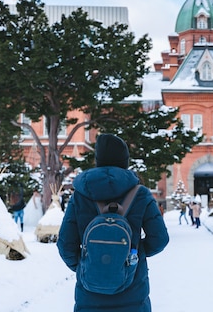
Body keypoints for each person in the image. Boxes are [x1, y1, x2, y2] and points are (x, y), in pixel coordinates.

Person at [57, 133, 169, 312]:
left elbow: (65, 244)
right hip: (133, 295)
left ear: (98, 160)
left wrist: (87, 263)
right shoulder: (141, 194)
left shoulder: (80, 195)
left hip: (89, 298)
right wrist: (131, 255)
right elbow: (160, 239)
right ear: (125, 160)